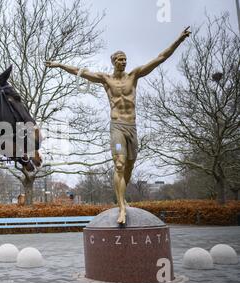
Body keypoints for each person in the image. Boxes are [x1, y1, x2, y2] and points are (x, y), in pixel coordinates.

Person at [46, 27, 191, 225]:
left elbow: (160, 58)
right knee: (119, 164)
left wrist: (179, 39)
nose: (123, 62)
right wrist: (58, 64)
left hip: (132, 127)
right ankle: (121, 206)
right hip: (117, 127)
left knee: (129, 165)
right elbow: (79, 71)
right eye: (119, 59)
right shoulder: (106, 79)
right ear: (113, 62)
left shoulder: (134, 75)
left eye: (125, 59)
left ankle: (122, 198)